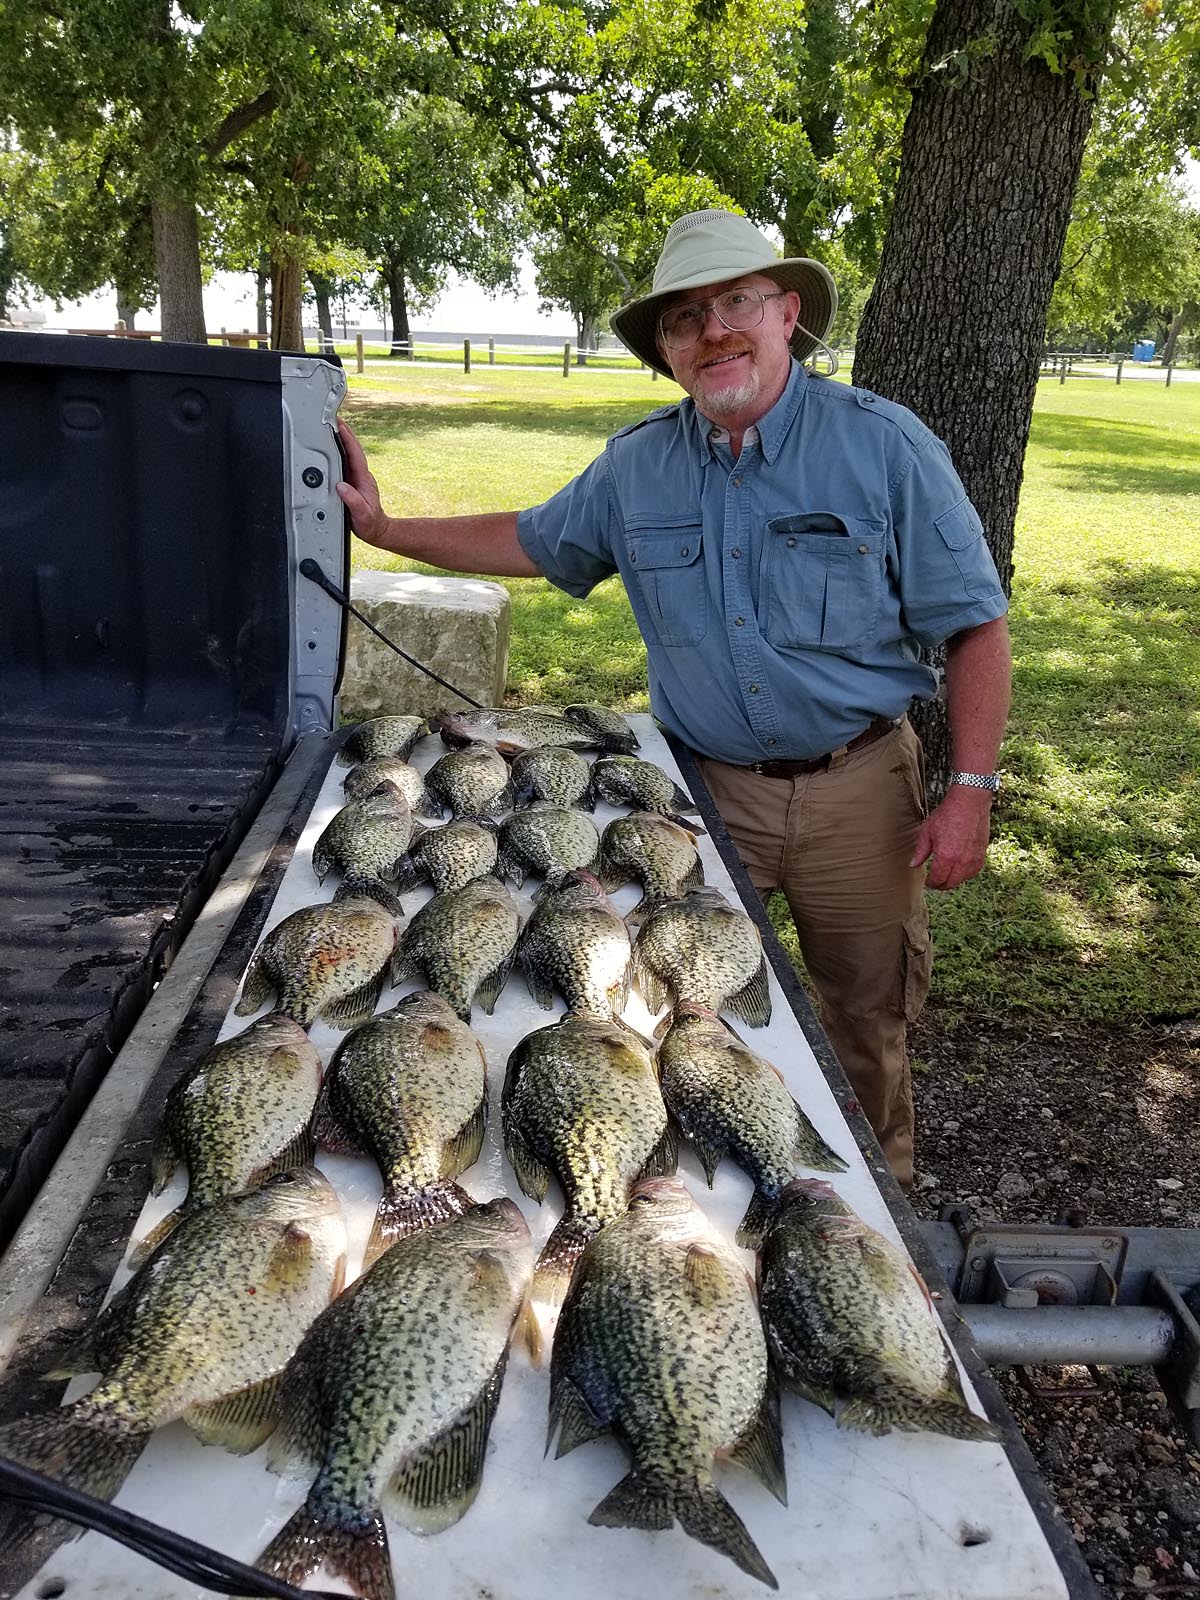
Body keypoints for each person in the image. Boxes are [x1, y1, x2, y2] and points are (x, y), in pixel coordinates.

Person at [335, 209, 1011, 1190]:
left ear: (787, 314)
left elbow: (976, 626)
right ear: (666, 349)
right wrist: (390, 531)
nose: (716, 331)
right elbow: (533, 539)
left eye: (738, 302)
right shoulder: (638, 465)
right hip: (694, 798)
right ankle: (698, 1205)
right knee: (667, 1005)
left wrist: (973, 788)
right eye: (686, 318)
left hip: (860, 791)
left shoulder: (885, 449)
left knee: (866, 1015)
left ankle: (876, 1206)